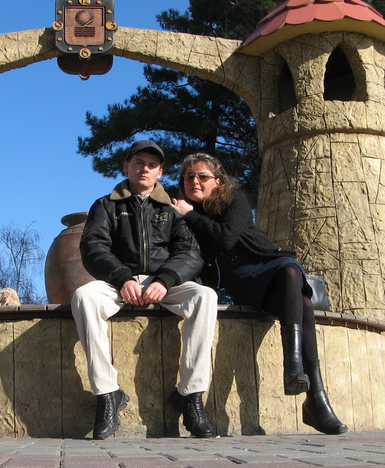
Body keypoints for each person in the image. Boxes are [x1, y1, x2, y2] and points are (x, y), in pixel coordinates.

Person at [170, 152, 347, 435]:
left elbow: (227, 237)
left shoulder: (233, 199)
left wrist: (189, 214)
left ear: (218, 181)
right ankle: (314, 399)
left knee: (290, 271)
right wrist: (188, 213)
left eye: (203, 176)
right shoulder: (179, 208)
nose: (195, 181)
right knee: (303, 303)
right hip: (237, 281)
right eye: (188, 176)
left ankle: (296, 370)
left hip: (262, 263)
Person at [71, 140, 219, 440]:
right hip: (118, 282)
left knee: (205, 296)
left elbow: (190, 253)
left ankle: (190, 395)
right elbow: (93, 248)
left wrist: (165, 280)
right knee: (83, 296)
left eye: (152, 165)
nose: (145, 169)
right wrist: (122, 278)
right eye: (139, 162)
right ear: (126, 166)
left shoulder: (172, 206)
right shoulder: (105, 205)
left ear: (160, 172)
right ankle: (108, 394)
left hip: (165, 283)